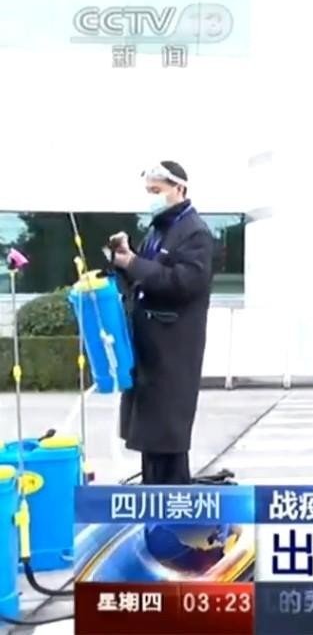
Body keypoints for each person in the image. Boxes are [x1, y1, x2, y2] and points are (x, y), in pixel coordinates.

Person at [108, 161, 214, 485]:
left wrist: (135, 263)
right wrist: (124, 260)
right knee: (150, 432)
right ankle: (153, 493)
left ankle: (172, 499)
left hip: (174, 345)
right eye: (148, 191)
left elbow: (185, 283)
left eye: (157, 190)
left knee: (167, 433)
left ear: (179, 188)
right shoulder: (157, 230)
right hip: (149, 344)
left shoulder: (195, 232)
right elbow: (142, 276)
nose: (151, 198)